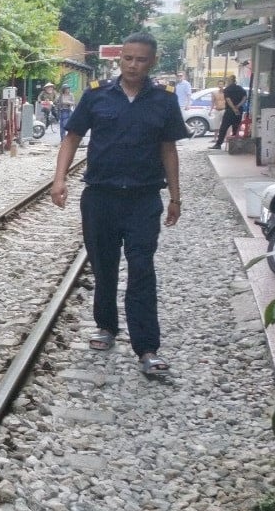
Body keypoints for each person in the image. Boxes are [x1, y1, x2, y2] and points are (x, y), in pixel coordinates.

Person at [50, 31, 188, 377]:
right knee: (104, 266)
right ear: (120, 59)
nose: (133, 65)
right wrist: (60, 178)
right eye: (128, 58)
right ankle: (107, 326)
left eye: (141, 59)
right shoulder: (97, 96)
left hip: (143, 199)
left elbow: (168, 149)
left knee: (142, 269)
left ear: (152, 62)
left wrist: (175, 195)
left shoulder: (164, 100)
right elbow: (72, 137)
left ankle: (147, 347)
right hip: (101, 197)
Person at [212, 74, 247, 149]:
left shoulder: (227, 89)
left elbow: (228, 100)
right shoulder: (240, 88)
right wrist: (238, 106)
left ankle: (218, 144)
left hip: (229, 111)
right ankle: (235, 145)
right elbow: (244, 98)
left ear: (229, 81)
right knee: (236, 127)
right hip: (239, 111)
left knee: (223, 127)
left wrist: (233, 108)